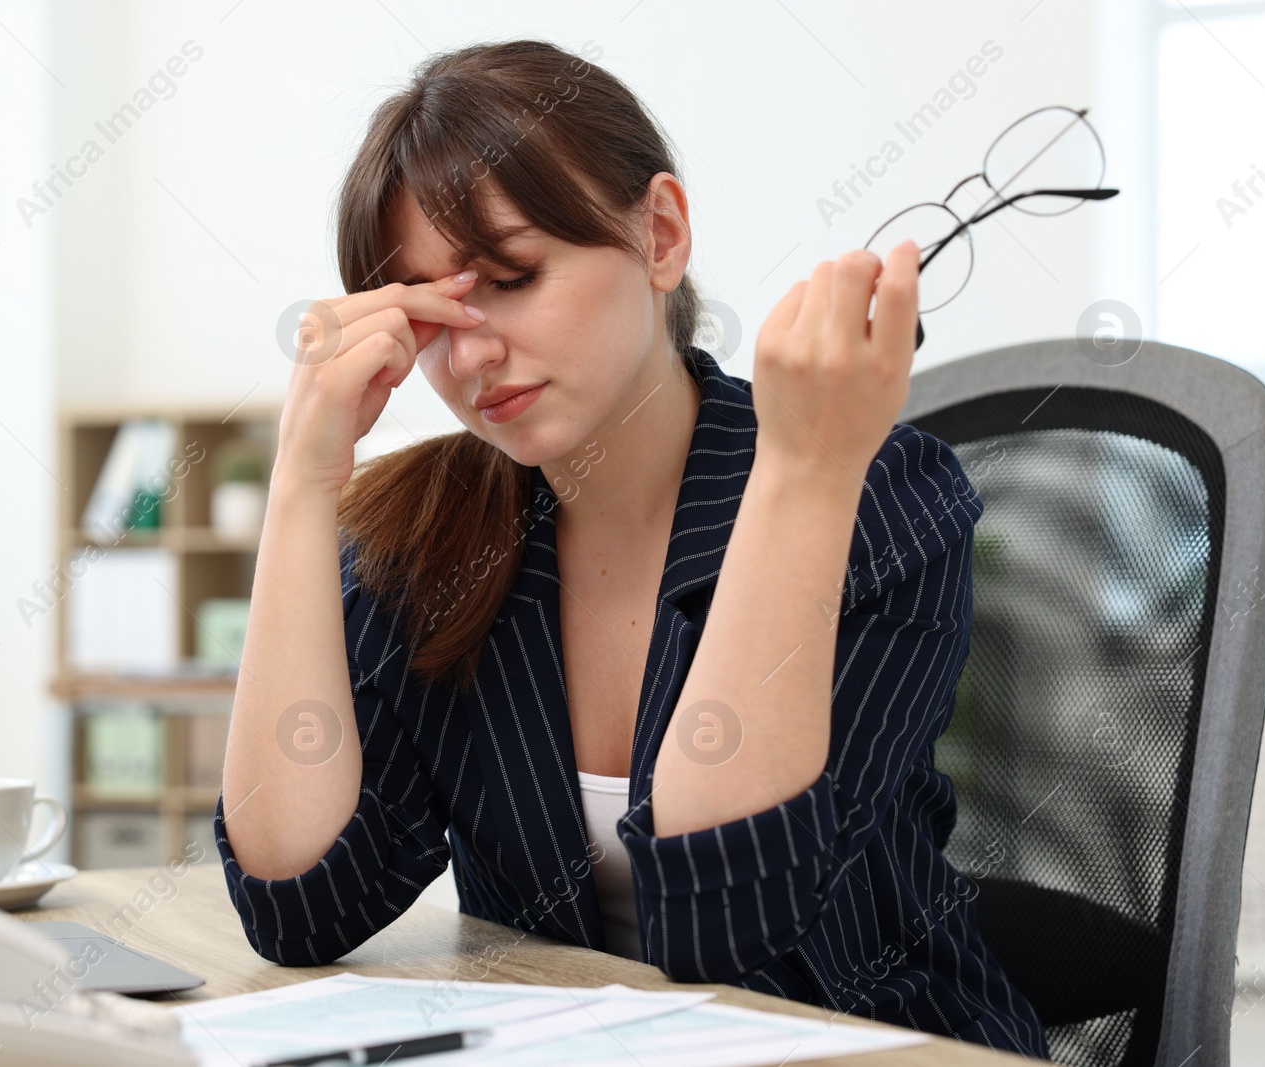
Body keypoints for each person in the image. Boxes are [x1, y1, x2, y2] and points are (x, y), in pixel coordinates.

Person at [215, 38, 1048, 1058]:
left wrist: (799, 475)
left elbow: (724, 924)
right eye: (429, 317)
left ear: (658, 236)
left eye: (513, 278)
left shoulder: (874, 494)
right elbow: (297, 908)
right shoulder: (429, 534)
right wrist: (301, 489)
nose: (470, 354)